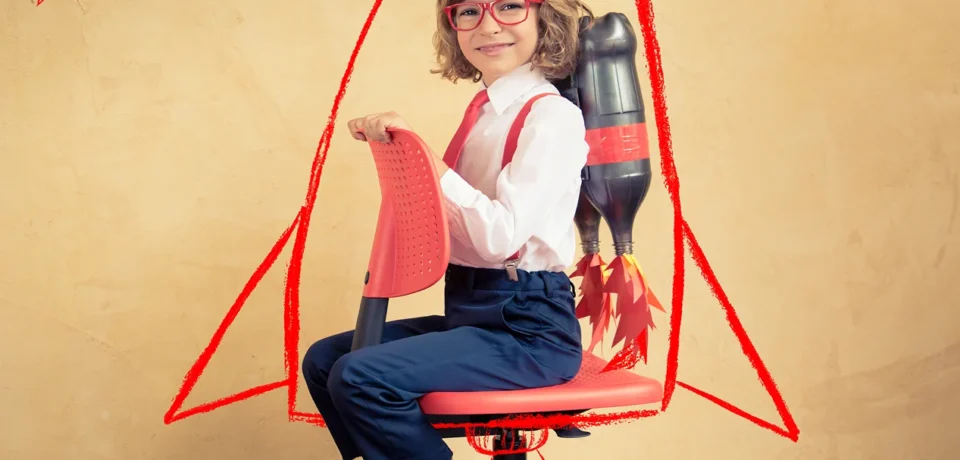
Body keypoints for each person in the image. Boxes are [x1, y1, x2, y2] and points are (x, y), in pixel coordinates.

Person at [302, 0, 595, 458]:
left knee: (360, 377)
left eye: (510, 6)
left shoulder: (551, 117)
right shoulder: (486, 113)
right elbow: (452, 226)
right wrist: (404, 165)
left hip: (528, 330)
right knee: (326, 361)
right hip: (471, 308)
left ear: (544, 18)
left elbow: (500, 238)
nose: (488, 25)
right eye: (468, 11)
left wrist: (427, 162)